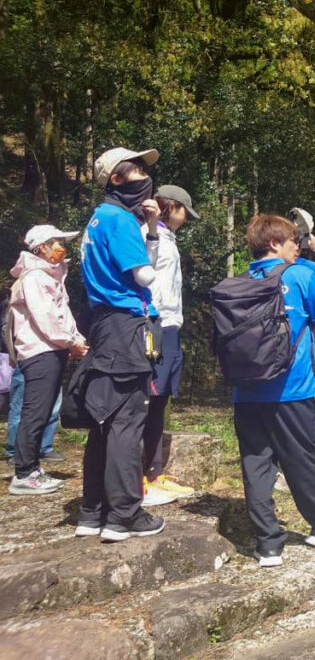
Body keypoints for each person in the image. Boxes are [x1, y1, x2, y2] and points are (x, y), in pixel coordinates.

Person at [232, 214, 315, 567]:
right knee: (301, 458)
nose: (296, 247)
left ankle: (268, 543)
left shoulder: (238, 282)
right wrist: (289, 350)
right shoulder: (299, 275)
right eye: (290, 242)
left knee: (256, 463)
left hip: (246, 389)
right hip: (292, 387)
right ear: (273, 244)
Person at [73, 147, 166, 540]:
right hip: (127, 326)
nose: (145, 176)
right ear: (115, 179)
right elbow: (144, 276)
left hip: (102, 325)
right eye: (138, 170)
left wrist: (149, 228)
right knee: (128, 422)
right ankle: (126, 515)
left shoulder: (96, 219)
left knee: (103, 420)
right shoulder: (119, 219)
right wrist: (150, 237)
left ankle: (92, 513)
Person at [6, 225, 88, 495]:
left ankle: (31, 467)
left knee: (41, 411)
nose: (61, 247)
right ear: (41, 247)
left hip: (51, 350)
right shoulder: (34, 278)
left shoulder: (49, 276)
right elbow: (46, 320)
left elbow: (62, 314)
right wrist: (70, 342)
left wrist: (75, 338)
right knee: (35, 412)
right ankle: (24, 474)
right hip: (39, 352)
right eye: (57, 242)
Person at [140, 185, 200, 508]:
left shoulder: (169, 239)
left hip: (170, 326)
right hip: (154, 325)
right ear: (171, 207)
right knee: (148, 398)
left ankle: (154, 473)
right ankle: (138, 479)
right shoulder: (148, 234)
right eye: (184, 212)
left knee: (161, 398)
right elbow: (143, 278)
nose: (186, 219)